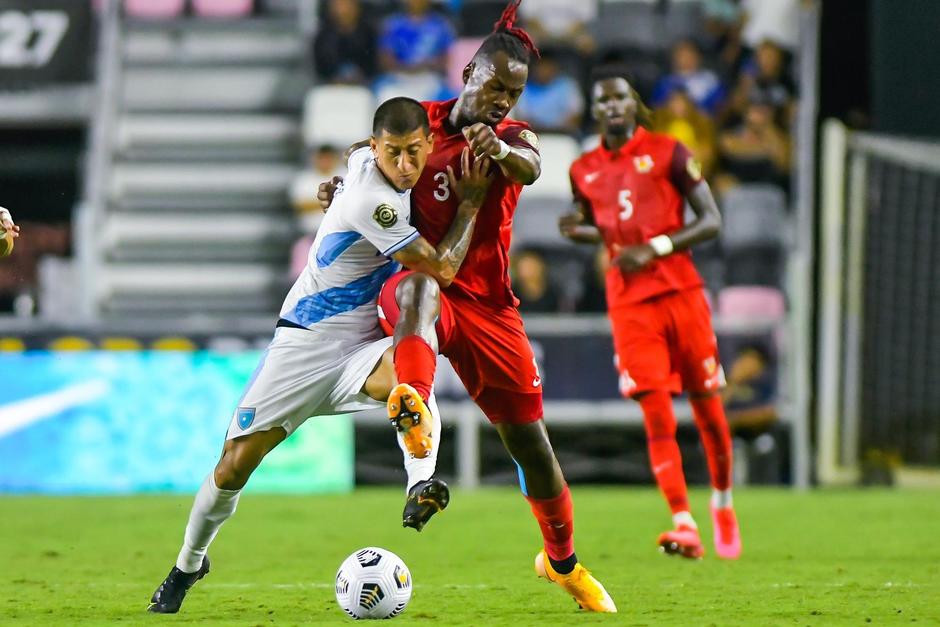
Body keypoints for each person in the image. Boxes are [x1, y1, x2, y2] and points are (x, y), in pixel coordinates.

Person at [319, 1, 616, 612]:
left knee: (532, 447)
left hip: (490, 307)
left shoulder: (511, 138)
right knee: (418, 288)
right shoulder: (421, 123)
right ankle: (414, 399)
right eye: (496, 86)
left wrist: (500, 153)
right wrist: (342, 188)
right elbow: (368, 150)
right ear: (468, 75)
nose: (505, 100)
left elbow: (531, 166)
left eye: (516, 91)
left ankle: (561, 562)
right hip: (427, 284)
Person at [147, 97, 494, 614]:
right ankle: (189, 564)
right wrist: (470, 204)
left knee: (409, 375)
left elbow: (355, 154)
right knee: (232, 468)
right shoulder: (372, 202)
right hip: (304, 345)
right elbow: (441, 269)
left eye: (414, 153)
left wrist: (336, 188)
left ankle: (420, 483)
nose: (405, 165)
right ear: (378, 148)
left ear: (425, 145)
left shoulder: (364, 161)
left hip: (362, 348)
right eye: (393, 153)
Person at [559, 66, 742, 561]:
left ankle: (722, 502)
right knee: (656, 410)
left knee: (707, 406)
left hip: (682, 292)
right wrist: (583, 230)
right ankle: (685, 522)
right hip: (629, 304)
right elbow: (606, 223)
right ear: (595, 111)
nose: (612, 106)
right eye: (603, 101)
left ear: (633, 104)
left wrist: (655, 246)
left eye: (620, 98)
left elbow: (711, 220)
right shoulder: (583, 169)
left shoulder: (668, 152)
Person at [374, 0, 455, 102]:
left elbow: (446, 58)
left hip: (428, 77)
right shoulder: (392, 24)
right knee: (382, 93)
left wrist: (426, 65)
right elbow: (385, 58)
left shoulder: (441, 24)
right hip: (398, 77)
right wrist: (405, 68)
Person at [511, 49, 584, 135]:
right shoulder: (524, 88)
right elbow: (521, 118)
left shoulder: (568, 86)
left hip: (563, 136)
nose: (544, 71)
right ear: (534, 68)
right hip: (533, 134)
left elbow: (576, 116)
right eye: (541, 67)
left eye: (548, 67)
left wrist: (556, 130)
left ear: (555, 67)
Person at [651, 39, 726, 116]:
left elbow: (721, 104)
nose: (686, 59)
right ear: (673, 58)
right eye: (681, 55)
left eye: (689, 54)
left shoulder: (711, 80)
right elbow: (657, 107)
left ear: (698, 57)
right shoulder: (666, 83)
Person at [313, 0, 377, 85]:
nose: (343, 10)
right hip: (330, 85)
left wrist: (361, 78)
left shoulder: (369, 33)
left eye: (347, 5)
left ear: (357, 7)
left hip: (366, 83)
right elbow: (320, 68)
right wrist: (334, 79)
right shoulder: (322, 36)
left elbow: (374, 63)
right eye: (338, 5)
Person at [511, 248, 560, 313]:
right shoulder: (511, 295)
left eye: (529, 265)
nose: (525, 270)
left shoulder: (554, 295)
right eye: (523, 265)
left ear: (541, 266)